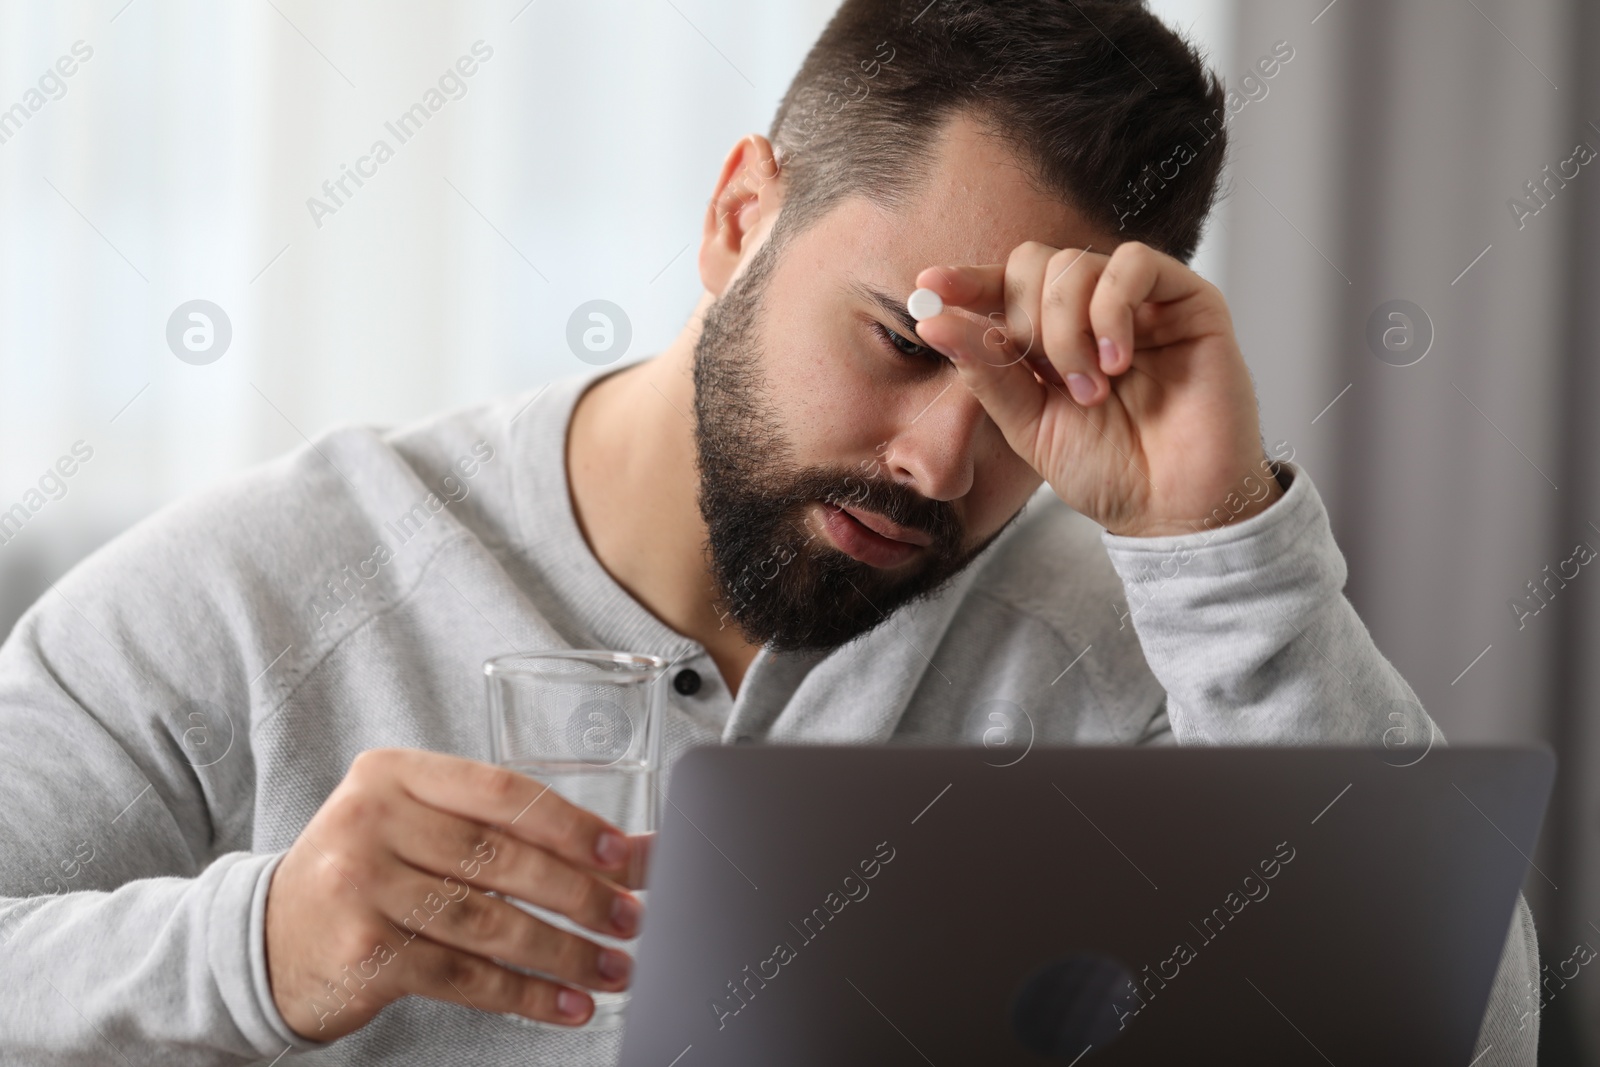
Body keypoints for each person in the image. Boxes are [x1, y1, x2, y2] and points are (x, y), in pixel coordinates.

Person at [0, 0, 1539, 1063]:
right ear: (743, 217)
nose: (943, 461)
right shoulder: (264, 589)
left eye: (1022, 386)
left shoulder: (1136, 652)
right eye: (903, 339)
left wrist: (1224, 545)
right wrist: (254, 953)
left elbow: (1458, 1039)